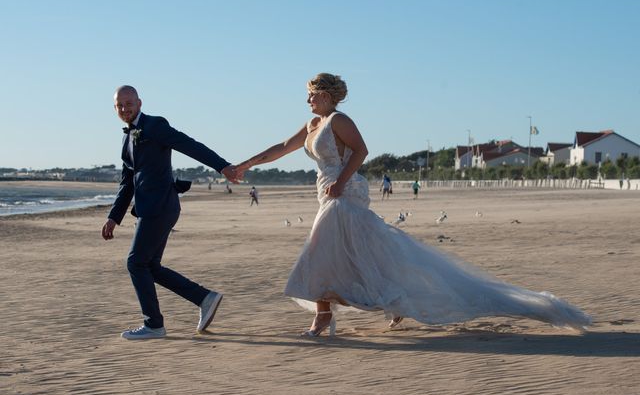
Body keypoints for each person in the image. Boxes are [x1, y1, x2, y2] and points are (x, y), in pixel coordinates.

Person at [235, 73, 591, 337]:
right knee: (362, 256)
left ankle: (324, 316)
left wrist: (341, 183)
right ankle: (395, 301)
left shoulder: (339, 121)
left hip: (343, 195)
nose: (307, 101)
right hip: (326, 193)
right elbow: (282, 147)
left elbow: (361, 151)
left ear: (327, 96)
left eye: (312, 95)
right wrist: (245, 165)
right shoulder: (313, 124)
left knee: (319, 253)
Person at [102, 85, 239, 340]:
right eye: (120, 105)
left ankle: (153, 324)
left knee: (135, 263)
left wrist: (222, 167)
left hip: (160, 205)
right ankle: (205, 298)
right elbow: (127, 181)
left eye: (129, 103)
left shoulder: (154, 125)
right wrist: (113, 217)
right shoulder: (127, 138)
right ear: (115, 109)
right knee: (150, 266)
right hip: (152, 208)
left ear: (139, 103)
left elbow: (189, 145)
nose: (125, 108)